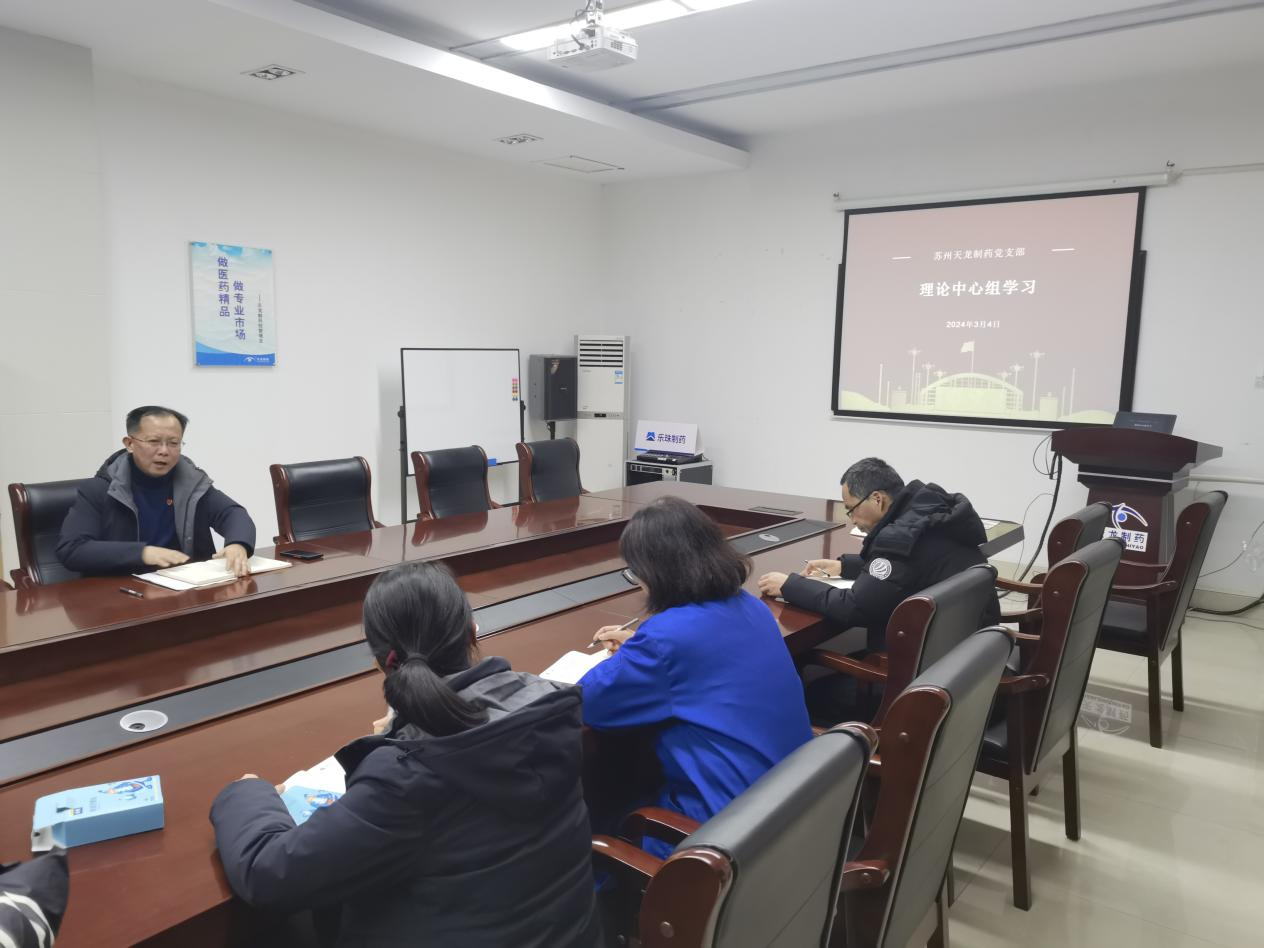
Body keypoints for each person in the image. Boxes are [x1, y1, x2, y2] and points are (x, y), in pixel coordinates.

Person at [209, 561, 602, 947]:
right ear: (471, 631)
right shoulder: (548, 705)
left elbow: (268, 874)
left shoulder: (407, 778)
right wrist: (406, 729)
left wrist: (249, 792)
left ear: (384, 661)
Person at [582, 496, 812, 853]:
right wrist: (642, 649)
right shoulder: (751, 605)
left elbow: (590, 702)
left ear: (655, 572)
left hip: (721, 834)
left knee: (599, 813)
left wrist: (639, 652)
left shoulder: (666, 639)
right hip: (792, 804)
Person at [757, 456, 999, 650]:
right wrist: (844, 566)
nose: (851, 519)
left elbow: (854, 607)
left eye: (851, 509)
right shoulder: (929, 511)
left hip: (924, 662)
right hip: (973, 644)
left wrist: (790, 586)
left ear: (877, 499)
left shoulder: (900, 538)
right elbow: (908, 568)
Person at [56, 405, 256, 577]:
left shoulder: (191, 484)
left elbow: (232, 513)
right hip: (124, 592)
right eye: (154, 441)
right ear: (130, 444)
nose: (164, 451)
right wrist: (143, 553)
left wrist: (238, 544)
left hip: (186, 587)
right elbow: (72, 549)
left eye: (173, 443)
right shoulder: (100, 489)